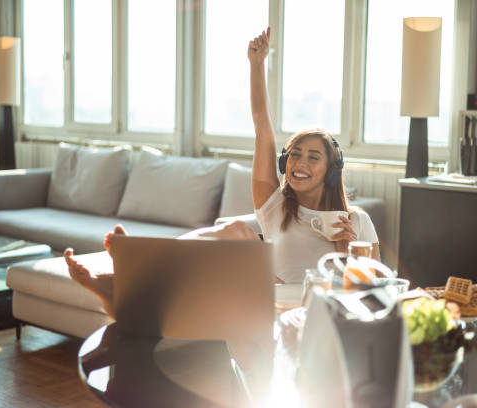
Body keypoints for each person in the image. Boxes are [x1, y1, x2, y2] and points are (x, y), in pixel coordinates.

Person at [248, 27, 380, 283]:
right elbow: (261, 126)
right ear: (285, 163)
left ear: (331, 170)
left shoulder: (358, 221)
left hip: (331, 315)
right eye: (295, 154)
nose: (300, 162)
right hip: (279, 312)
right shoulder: (273, 207)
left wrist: (350, 253)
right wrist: (256, 65)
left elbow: (377, 294)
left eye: (313, 157)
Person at [64, 221, 260, 319]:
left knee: (240, 235)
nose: (292, 162)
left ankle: (122, 278)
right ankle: (125, 276)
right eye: (291, 155)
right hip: (263, 247)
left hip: (272, 265)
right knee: (238, 229)